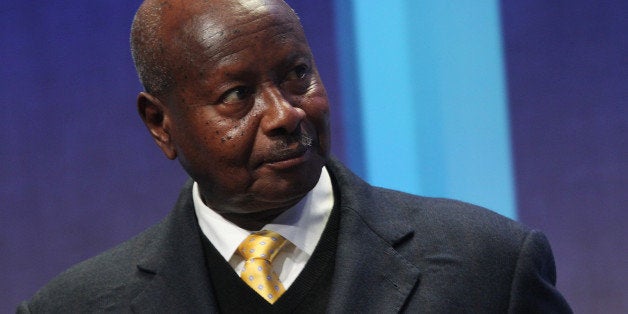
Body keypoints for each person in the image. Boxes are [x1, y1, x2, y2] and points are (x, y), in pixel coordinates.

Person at [18, 0, 572, 312]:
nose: (286, 114)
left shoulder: (490, 267)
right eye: (237, 96)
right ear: (161, 125)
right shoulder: (72, 310)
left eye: (297, 75)